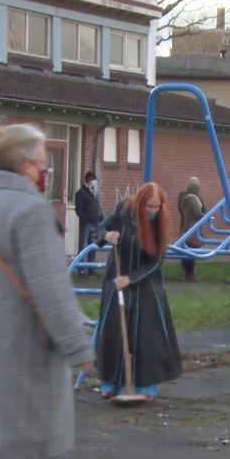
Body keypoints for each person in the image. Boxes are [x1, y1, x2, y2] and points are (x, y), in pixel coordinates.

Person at [0, 124, 94, 459]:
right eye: (44, 164)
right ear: (27, 166)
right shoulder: (31, 211)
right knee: (25, 445)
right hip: (23, 349)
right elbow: (50, 286)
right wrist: (79, 347)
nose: (45, 173)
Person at [93, 182, 183, 401]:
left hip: (146, 284)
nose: (152, 211)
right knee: (114, 332)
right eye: (149, 207)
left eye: (156, 207)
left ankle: (146, 385)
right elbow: (97, 229)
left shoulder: (160, 224)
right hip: (117, 279)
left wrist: (130, 279)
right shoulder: (124, 211)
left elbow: (156, 262)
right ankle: (111, 382)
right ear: (140, 203)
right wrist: (107, 236)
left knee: (146, 335)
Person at [74, 171, 103, 279]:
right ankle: (81, 270)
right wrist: (85, 221)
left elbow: (98, 207)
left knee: (93, 247)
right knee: (83, 247)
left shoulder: (94, 192)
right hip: (86, 224)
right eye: (90, 180)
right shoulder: (80, 193)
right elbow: (79, 210)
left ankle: (92, 269)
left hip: (95, 223)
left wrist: (101, 219)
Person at [178, 177, 206, 283]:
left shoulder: (185, 197)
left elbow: (181, 209)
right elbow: (201, 212)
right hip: (193, 227)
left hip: (186, 226)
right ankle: (189, 274)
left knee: (186, 249)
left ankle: (189, 273)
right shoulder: (195, 198)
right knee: (190, 249)